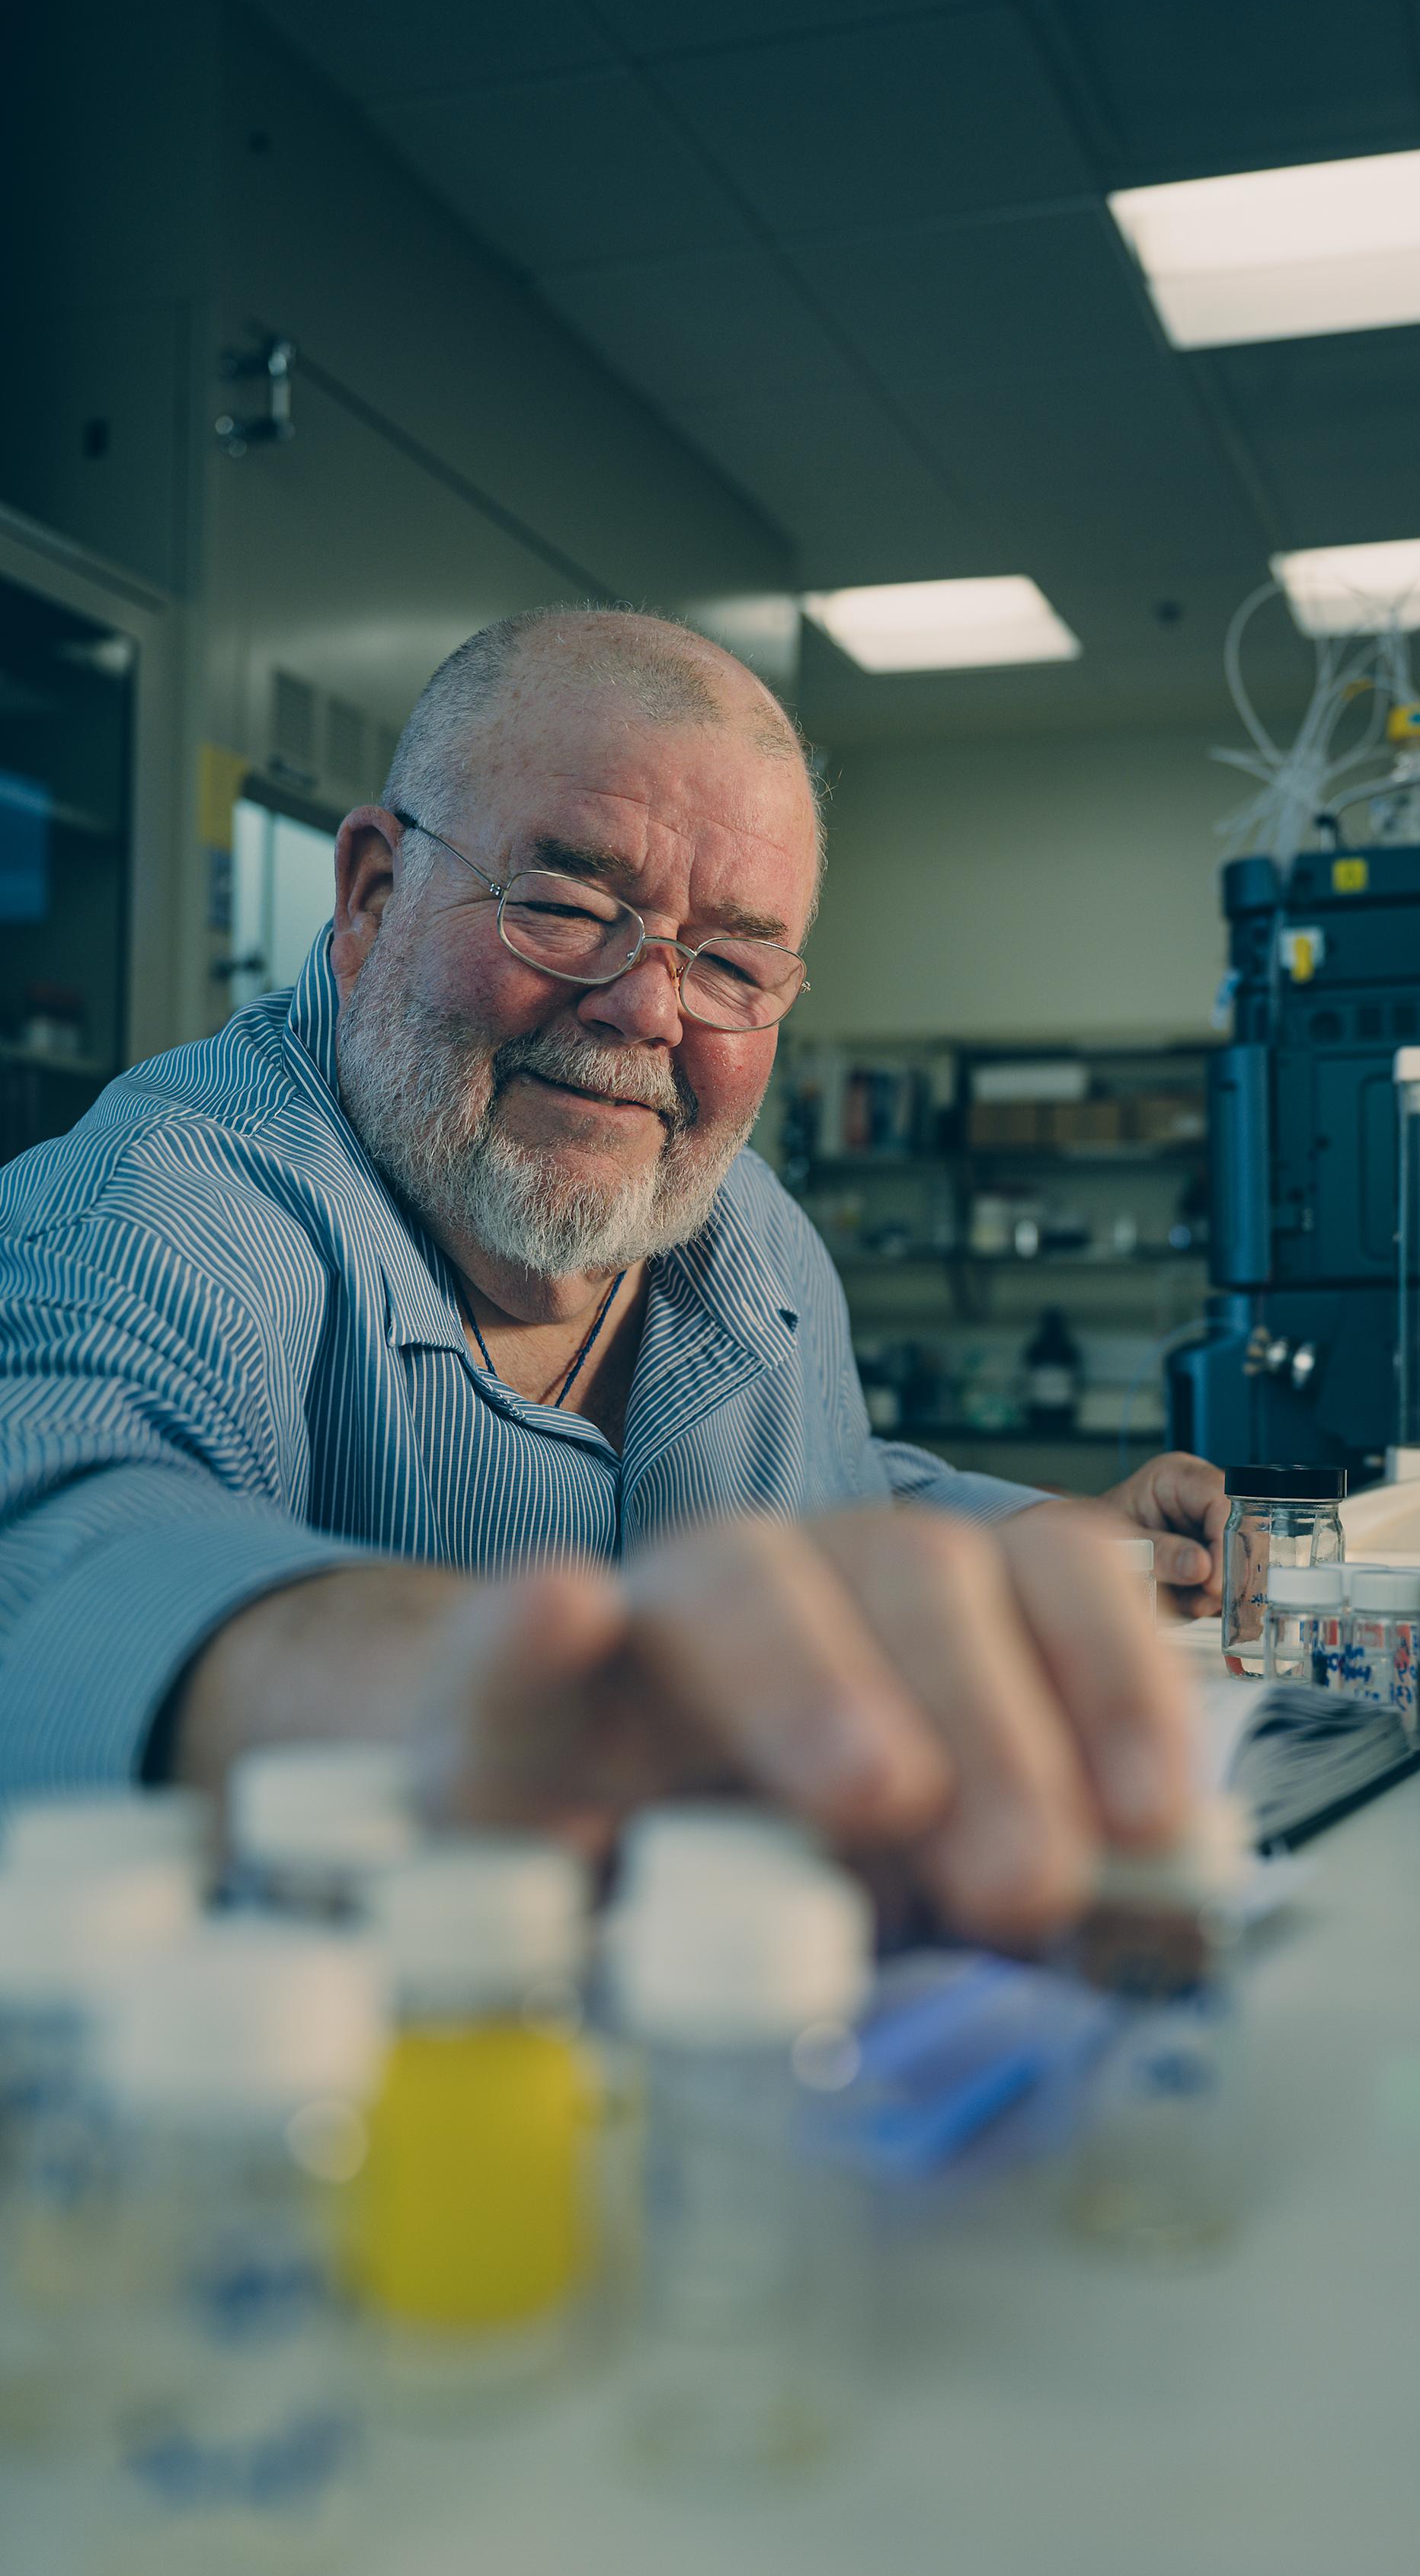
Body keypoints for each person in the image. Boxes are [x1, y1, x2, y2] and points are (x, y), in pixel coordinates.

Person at [0, 606, 1231, 1935]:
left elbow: (830, 1483)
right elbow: (56, 1535)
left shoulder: (747, 1231)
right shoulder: (175, 1198)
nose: (648, 1007)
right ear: (371, 895)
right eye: (571, 906)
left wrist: (1037, 1535)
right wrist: (490, 1696)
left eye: (735, 965)